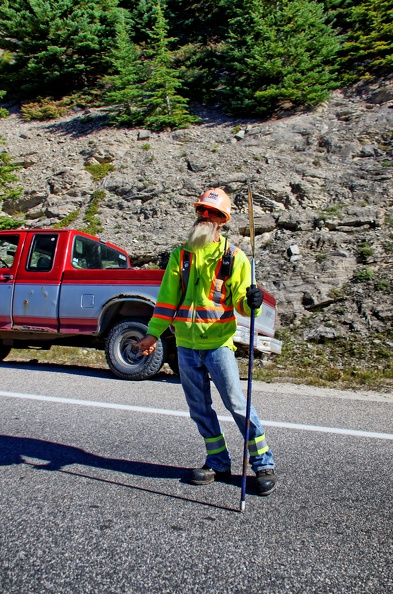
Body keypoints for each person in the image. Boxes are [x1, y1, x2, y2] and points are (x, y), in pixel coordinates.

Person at [136, 188, 276, 496]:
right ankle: (218, 461)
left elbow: (240, 302)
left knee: (237, 404)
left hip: (218, 344)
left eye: (212, 213)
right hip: (186, 345)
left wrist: (251, 302)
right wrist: (152, 335)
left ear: (222, 221)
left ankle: (263, 463)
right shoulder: (181, 255)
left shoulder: (235, 258)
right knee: (199, 408)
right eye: (201, 210)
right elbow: (167, 301)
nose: (204, 216)